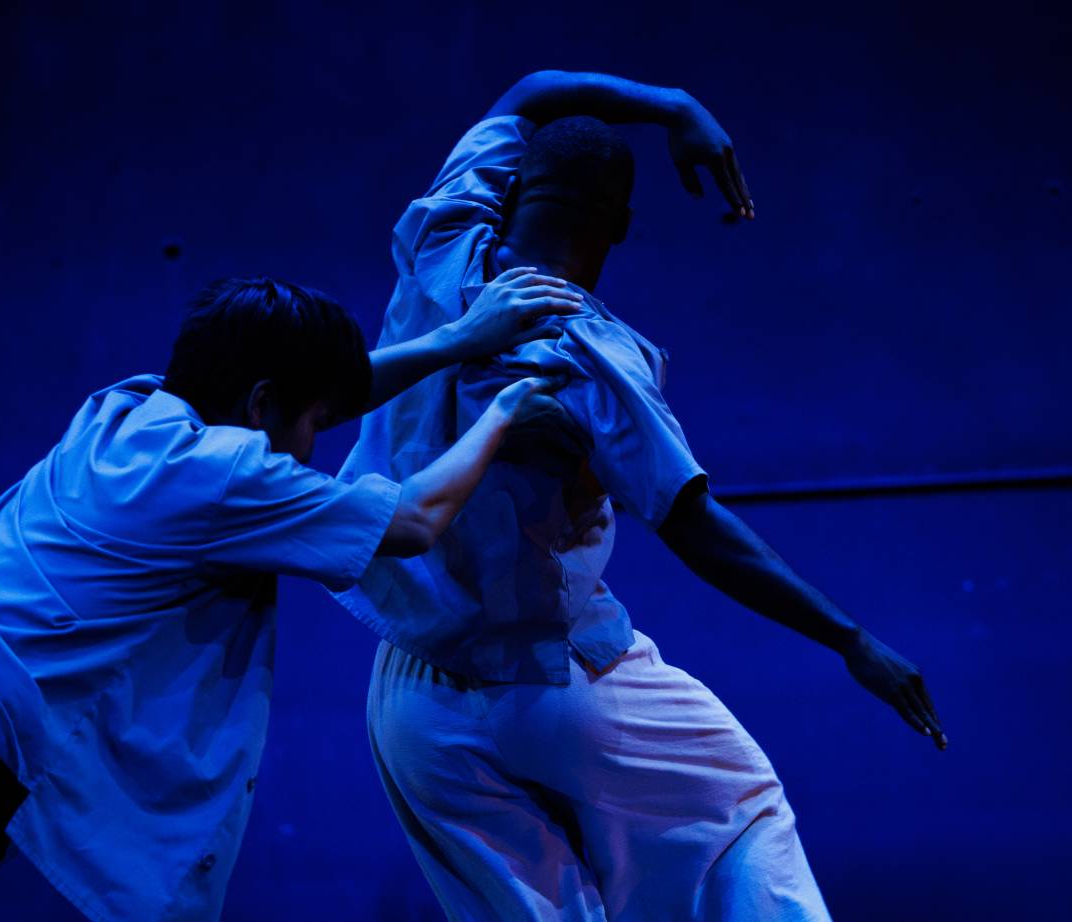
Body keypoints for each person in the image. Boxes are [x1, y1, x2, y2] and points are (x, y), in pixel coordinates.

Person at [335, 70, 948, 921]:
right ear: (619, 226)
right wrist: (852, 640)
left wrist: (672, 106)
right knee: (740, 819)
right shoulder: (595, 355)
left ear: (513, 186)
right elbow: (695, 526)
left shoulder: (442, 240)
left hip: (412, 699)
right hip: (553, 677)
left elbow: (528, 94)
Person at [0, 270, 584, 922]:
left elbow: (324, 393)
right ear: (260, 406)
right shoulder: (220, 473)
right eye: (313, 424)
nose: (315, 447)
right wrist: (504, 412)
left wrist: (458, 340)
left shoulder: (126, 411)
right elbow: (412, 520)